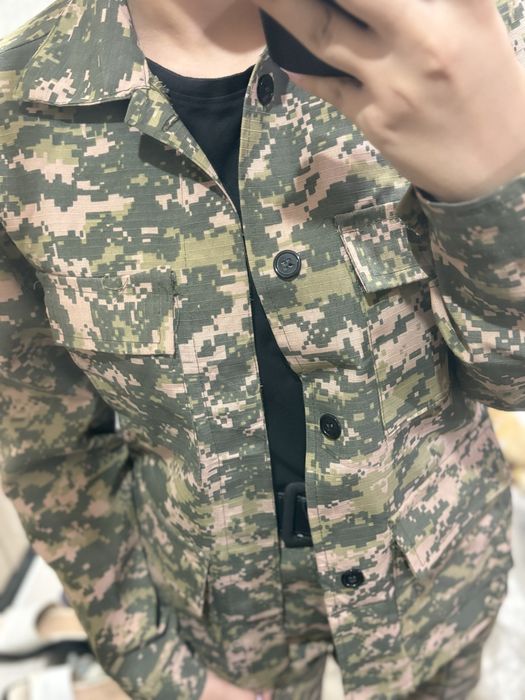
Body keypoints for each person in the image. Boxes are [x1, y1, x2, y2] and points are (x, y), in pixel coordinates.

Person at [0, 0, 524, 698]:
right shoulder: (19, 114)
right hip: (220, 625)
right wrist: (155, 660)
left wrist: (493, 191)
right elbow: (47, 448)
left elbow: (513, 382)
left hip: (438, 583)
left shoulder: (464, 35)